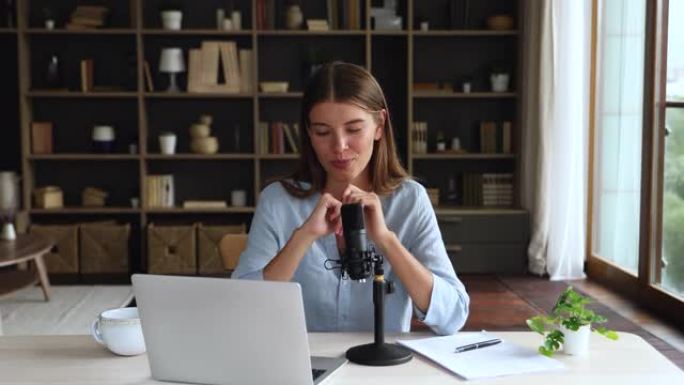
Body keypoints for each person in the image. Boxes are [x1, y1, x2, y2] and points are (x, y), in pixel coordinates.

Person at [232, 62, 469, 335]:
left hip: (381, 371)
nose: (339, 147)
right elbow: (241, 308)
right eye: (322, 132)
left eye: (354, 130)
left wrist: (386, 240)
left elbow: (453, 317)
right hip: (302, 369)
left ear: (379, 125)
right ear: (309, 134)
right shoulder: (277, 201)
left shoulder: (410, 200)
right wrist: (302, 237)